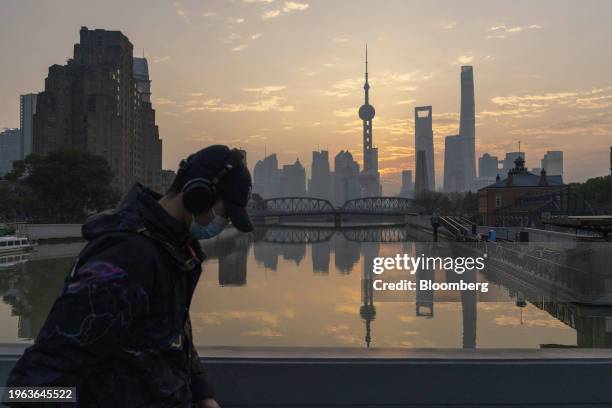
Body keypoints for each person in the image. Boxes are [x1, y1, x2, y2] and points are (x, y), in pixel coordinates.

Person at [6, 145, 254, 407]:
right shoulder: (125, 261)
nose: (222, 225)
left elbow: (171, 335)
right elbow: (31, 385)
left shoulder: (174, 252)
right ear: (198, 195)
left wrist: (202, 394)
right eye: (224, 215)